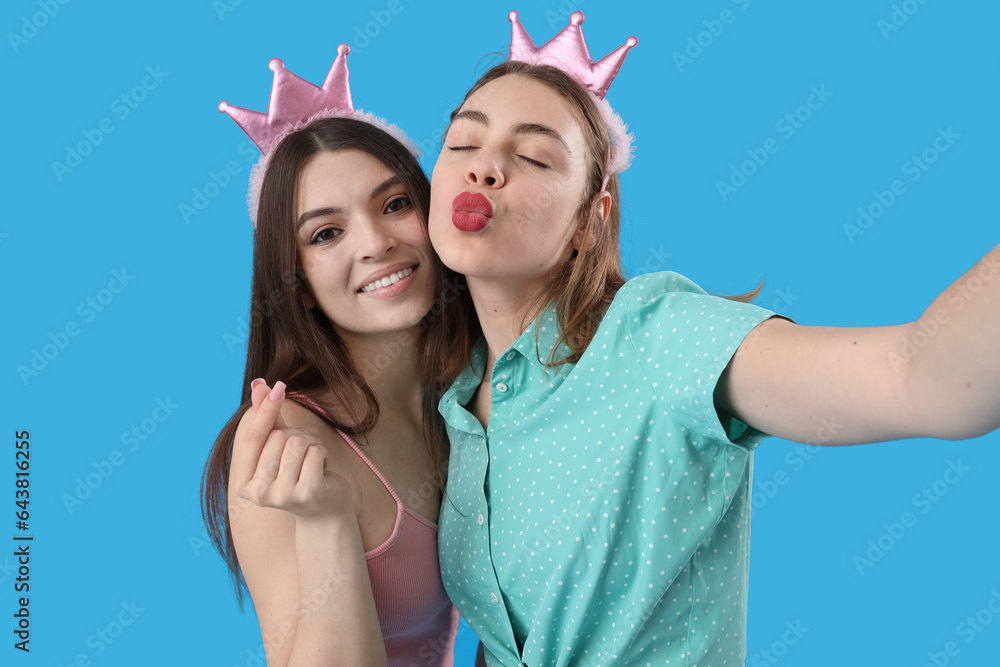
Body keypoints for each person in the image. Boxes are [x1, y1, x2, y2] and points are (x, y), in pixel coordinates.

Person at [422, 11, 999, 667]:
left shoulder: (656, 337)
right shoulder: (452, 398)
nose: (485, 167)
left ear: (592, 217)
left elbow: (921, 379)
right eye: (462, 145)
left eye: (532, 156)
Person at [200, 47, 476, 667]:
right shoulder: (285, 439)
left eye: (395, 204)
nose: (377, 243)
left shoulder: (467, 394)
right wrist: (328, 523)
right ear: (293, 276)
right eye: (327, 234)